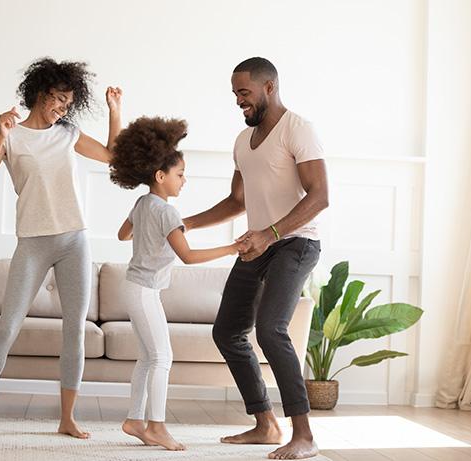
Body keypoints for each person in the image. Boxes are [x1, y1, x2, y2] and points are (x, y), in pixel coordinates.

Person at [0, 57, 122, 439]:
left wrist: (115, 111)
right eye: (57, 100)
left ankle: (67, 419)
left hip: (73, 240)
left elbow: (113, 156)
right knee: (7, 327)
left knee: (74, 330)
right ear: (39, 93)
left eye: (67, 104)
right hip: (32, 243)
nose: (62, 109)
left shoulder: (68, 133)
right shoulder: (10, 135)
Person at [183, 57, 329, 460]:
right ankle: (265, 424)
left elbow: (320, 196)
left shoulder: (298, 129)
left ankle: (304, 435)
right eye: (234, 94)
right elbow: (236, 201)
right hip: (258, 244)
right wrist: (186, 224)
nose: (238, 101)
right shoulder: (241, 142)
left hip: (295, 243)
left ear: (269, 87)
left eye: (243, 93)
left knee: (271, 329)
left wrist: (271, 233)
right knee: (227, 330)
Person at [109, 116, 240, 451]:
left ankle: (135, 420)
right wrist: (233, 247)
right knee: (162, 357)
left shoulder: (143, 203)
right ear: (160, 176)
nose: (184, 181)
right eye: (180, 175)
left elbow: (123, 234)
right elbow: (189, 257)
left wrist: (150, 231)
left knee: (147, 357)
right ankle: (156, 426)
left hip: (134, 287)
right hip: (144, 290)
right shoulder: (168, 213)